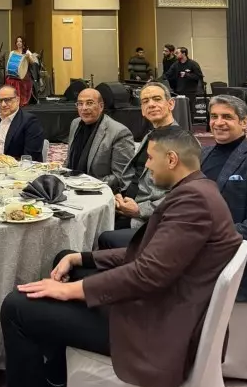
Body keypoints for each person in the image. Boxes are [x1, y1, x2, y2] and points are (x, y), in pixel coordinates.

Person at [0, 127, 243, 387]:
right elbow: (148, 254)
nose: (147, 166)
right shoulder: (200, 190)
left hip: (157, 331)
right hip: (166, 306)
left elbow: (147, 273)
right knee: (67, 260)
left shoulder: (193, 202)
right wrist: (81, 258)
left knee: (16, 307)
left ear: (171, 159)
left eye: (150, 158)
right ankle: (58, 380)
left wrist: (70, 291)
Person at [98, 82, 180, 248]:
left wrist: (140, 210)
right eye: (145, 101)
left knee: (98, 238)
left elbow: (183, 194)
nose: (151, 104)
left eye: (157, 99)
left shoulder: (182, 143)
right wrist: (120, 194)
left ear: (171, 104)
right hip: (125, 206)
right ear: (142, 109)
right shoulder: (151, 135)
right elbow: (134, 175)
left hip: (148, 220)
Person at [203, 95, 247, 302]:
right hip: (198, 268)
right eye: (214, 116)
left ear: (244, 122)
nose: (218, 122)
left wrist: (208, 237)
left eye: (227, 117)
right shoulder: (201, 155)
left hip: (238, 270)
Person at [67, 89, 134, 193]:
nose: (84, 108)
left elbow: (121, 176)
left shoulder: (119, 133)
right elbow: (69, 161)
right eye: (80, 104)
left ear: (101, 106)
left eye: (89, 103)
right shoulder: (75, 124)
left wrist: (87, 185)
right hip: (70, 186)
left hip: (99, 192)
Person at [0, 85, 45, 162]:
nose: (3, 104)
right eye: (0, 101)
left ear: (17, 100)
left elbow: (30, 157)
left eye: (7, 100)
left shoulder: (30, 121)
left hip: (17, 167)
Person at [164, 46, 203, 121]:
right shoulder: (176, 64)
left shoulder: (193, 64)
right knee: (179, 111)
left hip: (190, 91)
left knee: (190, 110)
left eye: (177, 53)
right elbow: (167, 74)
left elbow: (199, 76)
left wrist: (187, 75)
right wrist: (155, 80)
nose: (175, 54)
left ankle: (190, 126)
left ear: (183, 54)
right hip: (179, 91)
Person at [5, 36, 39, 107]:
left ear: (23, 43)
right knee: (9, 79)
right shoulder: (12, 52)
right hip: (13, 74)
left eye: (20, 41)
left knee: (21, 81)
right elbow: (9, 63)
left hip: (24, 74)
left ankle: (20, 100)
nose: (19, 43)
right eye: (17, 41)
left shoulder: (27, 52)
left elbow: (33, 62)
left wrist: (29, 56)